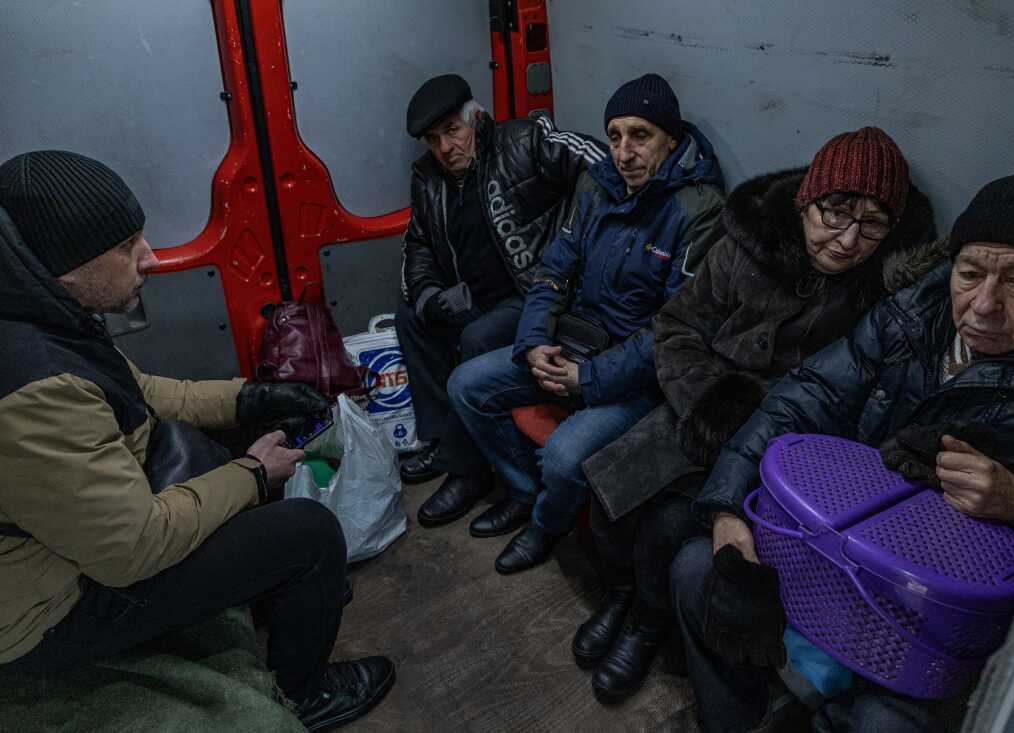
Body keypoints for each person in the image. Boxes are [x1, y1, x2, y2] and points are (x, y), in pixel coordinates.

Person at [670, 170, 1014, 732]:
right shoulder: (914, 311)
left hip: (936, 611)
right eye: (969, 274)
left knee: (887, 721)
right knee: (698, 567)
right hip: (845, 545)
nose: (984, 305)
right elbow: (807, 395)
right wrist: (727, 510)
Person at [0, 151, 393, 732]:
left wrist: (251, 397)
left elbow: (144, 393)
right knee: (309, 533)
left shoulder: (44, 315)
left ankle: (274, 587)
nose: (149, 258)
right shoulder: (31, 384)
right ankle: (302, 695)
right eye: (125, 245)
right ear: (65, 267)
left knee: (225, 438)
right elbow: (130, 550)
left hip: (82, 539)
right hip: (50, 610)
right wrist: (254, 474)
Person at [576, 127, 939, 703]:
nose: (847, 240)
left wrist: (759, 429)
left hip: (785, 443)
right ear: (804, 201)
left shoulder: (885, 293)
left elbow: (850, 399)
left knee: (671, 524)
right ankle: (620, 596)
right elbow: (676, 326)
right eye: (835, 212)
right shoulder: (748, 245)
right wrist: (709, 401)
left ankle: (647, 621)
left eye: (872, 225)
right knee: (607, 489)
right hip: (704, 399)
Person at [448, 73, 726, 574]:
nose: (624, 152)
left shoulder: (698, 210)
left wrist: (588, 379)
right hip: (574, 340)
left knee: (563, 456)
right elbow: (554, 269)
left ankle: (545, 523)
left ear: (671, 137)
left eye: (640, 135)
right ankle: (522, 490)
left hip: (634, 374)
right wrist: (534, 342)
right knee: (466, 385)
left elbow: (673, 328)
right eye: (615, 135)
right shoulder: (597, 183)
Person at [396, 74, 605, 530]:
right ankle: (439, 439)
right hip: (472, 294)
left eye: (453, 130)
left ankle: (465, 470)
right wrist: (430, 295)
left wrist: (573, 237)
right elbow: (417, 247)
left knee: (477, 337)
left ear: (477, 117)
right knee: (410, 317)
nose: (445, 147)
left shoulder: (523, 140)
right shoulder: (429, 180)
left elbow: (597, 161)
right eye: (434, 139)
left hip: (530, 293)